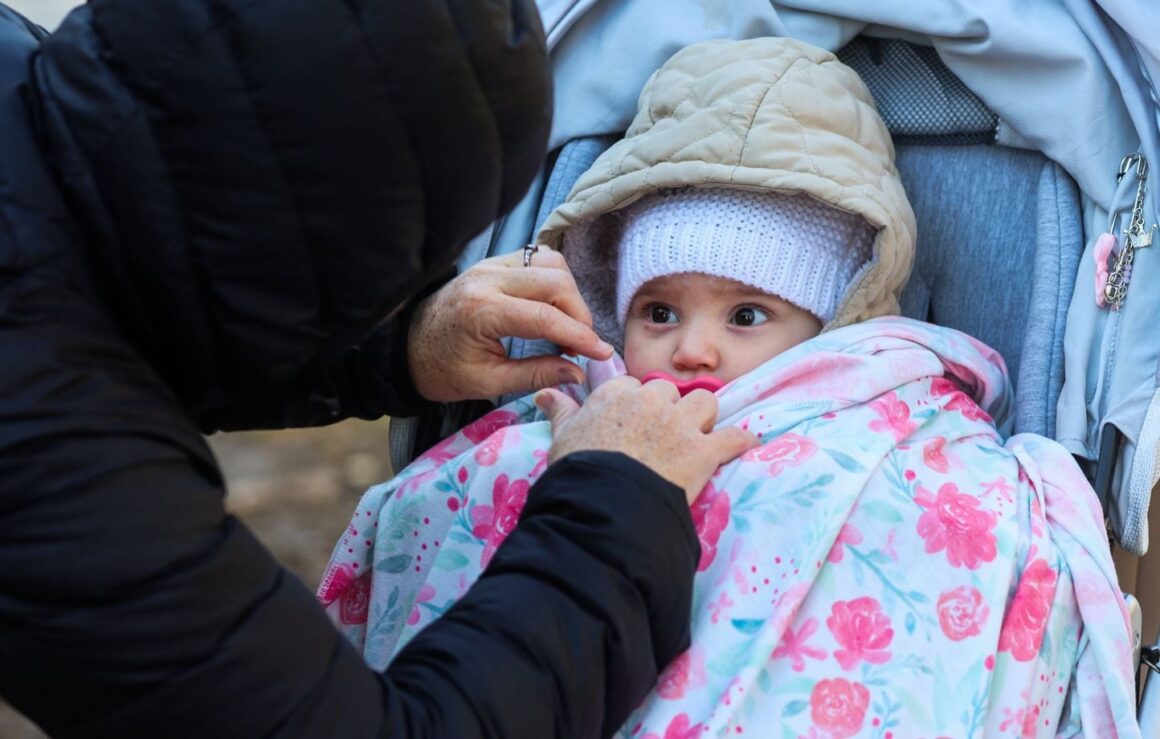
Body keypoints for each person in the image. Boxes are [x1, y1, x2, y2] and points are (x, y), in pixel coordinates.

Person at [322, 37, 1139, 737]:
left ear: (835, 321)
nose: (694, 347)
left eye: (747, 312)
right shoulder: (562, 411)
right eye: (658, 310)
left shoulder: (901, 423)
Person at [0, 2, 757, 737]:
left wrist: (396, 347)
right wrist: (615, 504)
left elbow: (123, 247)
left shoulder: (44, 102)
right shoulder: (50, 453)